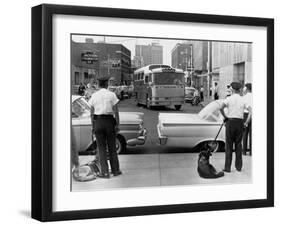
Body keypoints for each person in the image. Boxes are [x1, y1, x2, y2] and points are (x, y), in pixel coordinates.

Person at [88, 76, 122, 179]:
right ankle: (115, 170)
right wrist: (117, 124)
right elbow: (116, 111)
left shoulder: (94, 96)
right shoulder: (112, 95)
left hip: (98, 122)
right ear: (107, 84)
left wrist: (93, 126)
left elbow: (91, 113)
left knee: (101, 148)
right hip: (109, 122)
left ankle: (105, 172)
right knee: (112, 147)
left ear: (98, 85)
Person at [220, 82, 251, 173]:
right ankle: (238, 167)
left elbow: (221, 108)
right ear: (240, 90)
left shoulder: (228, 99)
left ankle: (227, 168)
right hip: (240, 123)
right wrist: (246, 123)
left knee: (229, 146)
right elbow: (251, 112)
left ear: (232, 89)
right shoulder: (243, 100)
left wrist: (225, 117)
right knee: (238, 145)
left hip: (230, 122)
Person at [242, 83, 252, 155]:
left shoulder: (244, 97)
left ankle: (244, 151)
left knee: (245, 133)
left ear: (246, 89)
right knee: (252, 134)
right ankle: (251, 151)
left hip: (245, 114)